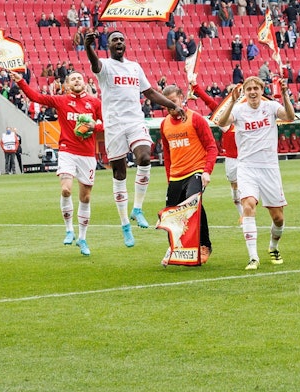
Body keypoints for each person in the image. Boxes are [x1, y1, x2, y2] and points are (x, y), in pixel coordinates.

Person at [85, 29, 182, 248]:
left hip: (135, 121)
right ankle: (125, 225)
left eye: (121, 39)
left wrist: (172, 105)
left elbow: (150, 93)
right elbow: (94, 64)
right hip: (114, 125)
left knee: (145, 157)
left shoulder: (135, 67)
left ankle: (137, 208)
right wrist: (88, 46)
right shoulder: (105, 66)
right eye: (114, 40)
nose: (119, 42)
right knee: (119, 173)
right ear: (108, 45)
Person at [13, 69, 102, 256]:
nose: (76, 81)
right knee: (66, 189)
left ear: (84, 83)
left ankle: (82, 238)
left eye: (79, 78)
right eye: (73, 79)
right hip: (67, 150)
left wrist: (94, 126)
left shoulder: (94, 103)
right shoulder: (61, 101)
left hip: (87, 155)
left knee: (85, 198)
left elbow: (106, 123)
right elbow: (36, 97)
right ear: (67, 85)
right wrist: (21, 81)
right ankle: (69, 229)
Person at [214, 75, 296, 270]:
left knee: (278, 218)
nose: (252, 92)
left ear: (261, 90)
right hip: (246, 167)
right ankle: (253, 257)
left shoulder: (271, 107)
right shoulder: (238, 109)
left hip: (269, 168)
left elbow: (290, 117)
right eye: (248, 89)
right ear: (244, 92)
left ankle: (273, 247)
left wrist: (285, 95)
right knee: (248, 205)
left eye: (255, 88)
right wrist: (232, 101)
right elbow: (221, 122)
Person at [158, 85, 218, 265]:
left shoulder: (196, 119)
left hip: (195, 171)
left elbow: (211, 147)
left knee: (193, 205)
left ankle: (204, 245)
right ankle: (176, 248)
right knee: (172, 215)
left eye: (173, 102)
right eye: (167, 104)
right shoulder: (164, 124)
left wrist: (206, 171)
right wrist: (169, 178)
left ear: (181, 98)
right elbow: (167, 155)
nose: (171, 107)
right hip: (176, 176)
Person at [190, 78, 243, 222]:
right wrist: (196, 87)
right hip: (231, 159)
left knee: (247, 186)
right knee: (234, 186)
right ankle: (241, 213)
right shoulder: (225, 117)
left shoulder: (248, 114)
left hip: (246, 158)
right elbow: (210, 103)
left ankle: (246, 214)